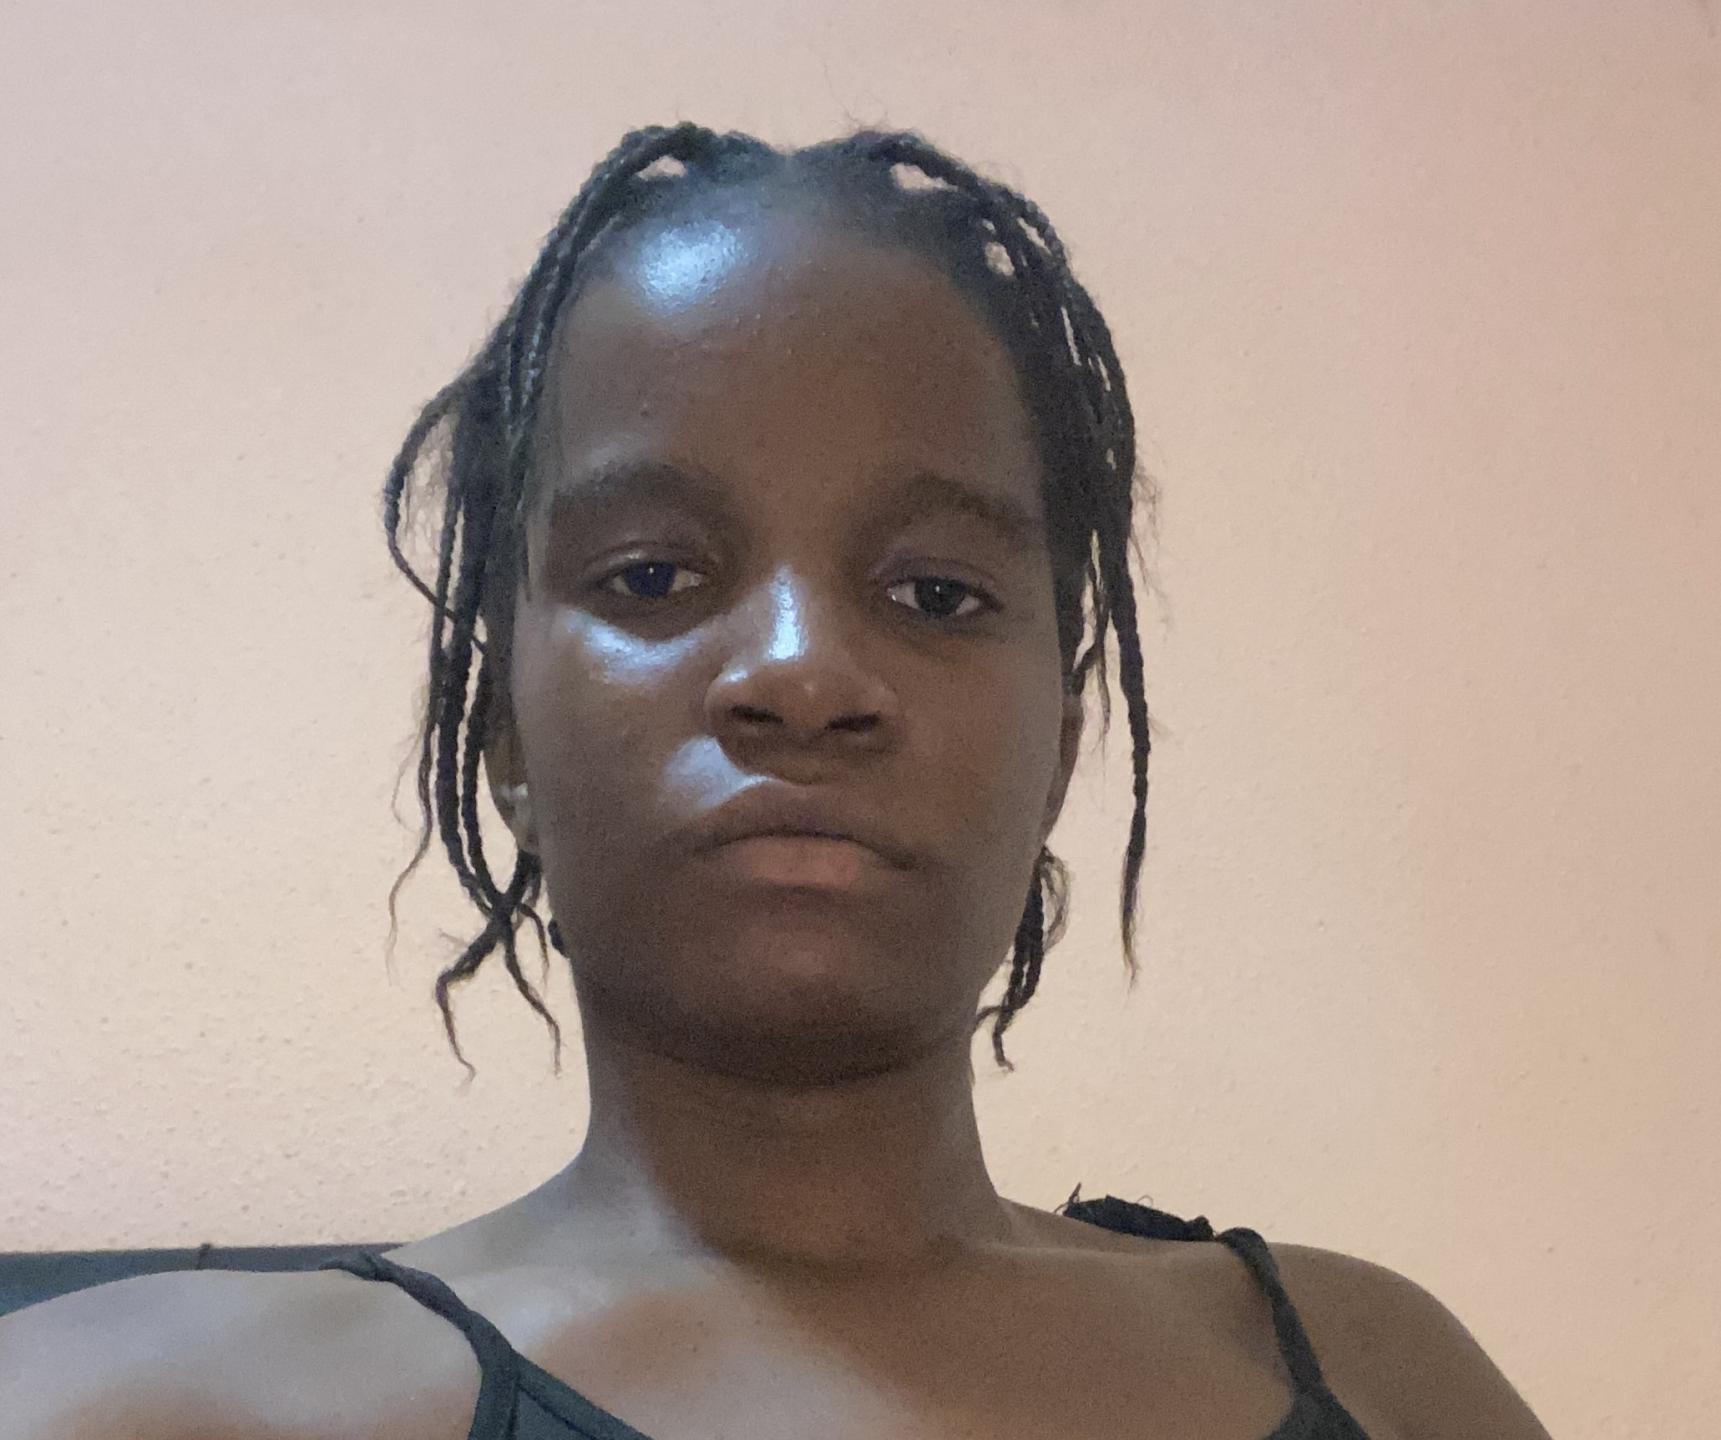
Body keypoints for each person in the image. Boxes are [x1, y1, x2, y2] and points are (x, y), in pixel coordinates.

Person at [0, 123, 1552, 1440]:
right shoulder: (149, 1404)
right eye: (655, 574)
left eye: (936, 592)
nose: (804, 675)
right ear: (504, 743)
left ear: (1059, 749)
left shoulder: (1377, 1375)